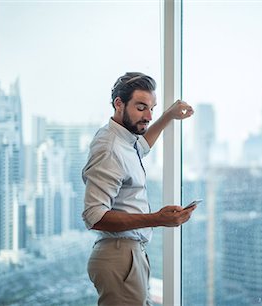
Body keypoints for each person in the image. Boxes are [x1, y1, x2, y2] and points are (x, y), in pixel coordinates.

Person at [82, 72, 196, 306]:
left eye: (152, 108)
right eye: (141, 107)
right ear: (119, 104)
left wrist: (167, 116)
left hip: (126, 256)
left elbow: (141, 147)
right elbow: (94, 217)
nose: (148, 116)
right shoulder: (110, 148)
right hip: (119, 258)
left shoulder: (123, 139)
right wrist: (157, 219)